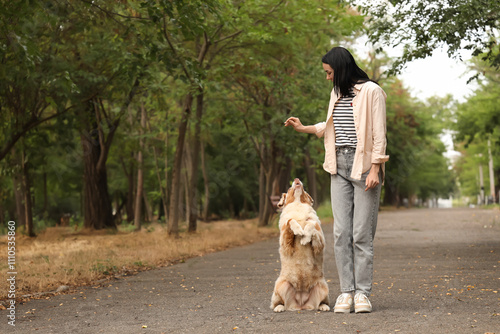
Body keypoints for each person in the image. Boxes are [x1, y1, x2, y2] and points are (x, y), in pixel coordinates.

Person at [284, 46, 388, 314]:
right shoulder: (337, 94)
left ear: (340, 68)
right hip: (338, 166)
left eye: (329, 72)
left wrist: (376, 168)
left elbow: (378, 134)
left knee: (361, 234)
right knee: (341, 233)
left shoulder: (372, 92)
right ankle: (346, 292)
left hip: (363, 166)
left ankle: (363, 293)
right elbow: (333, 126)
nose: (327, 77)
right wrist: (305, 127)